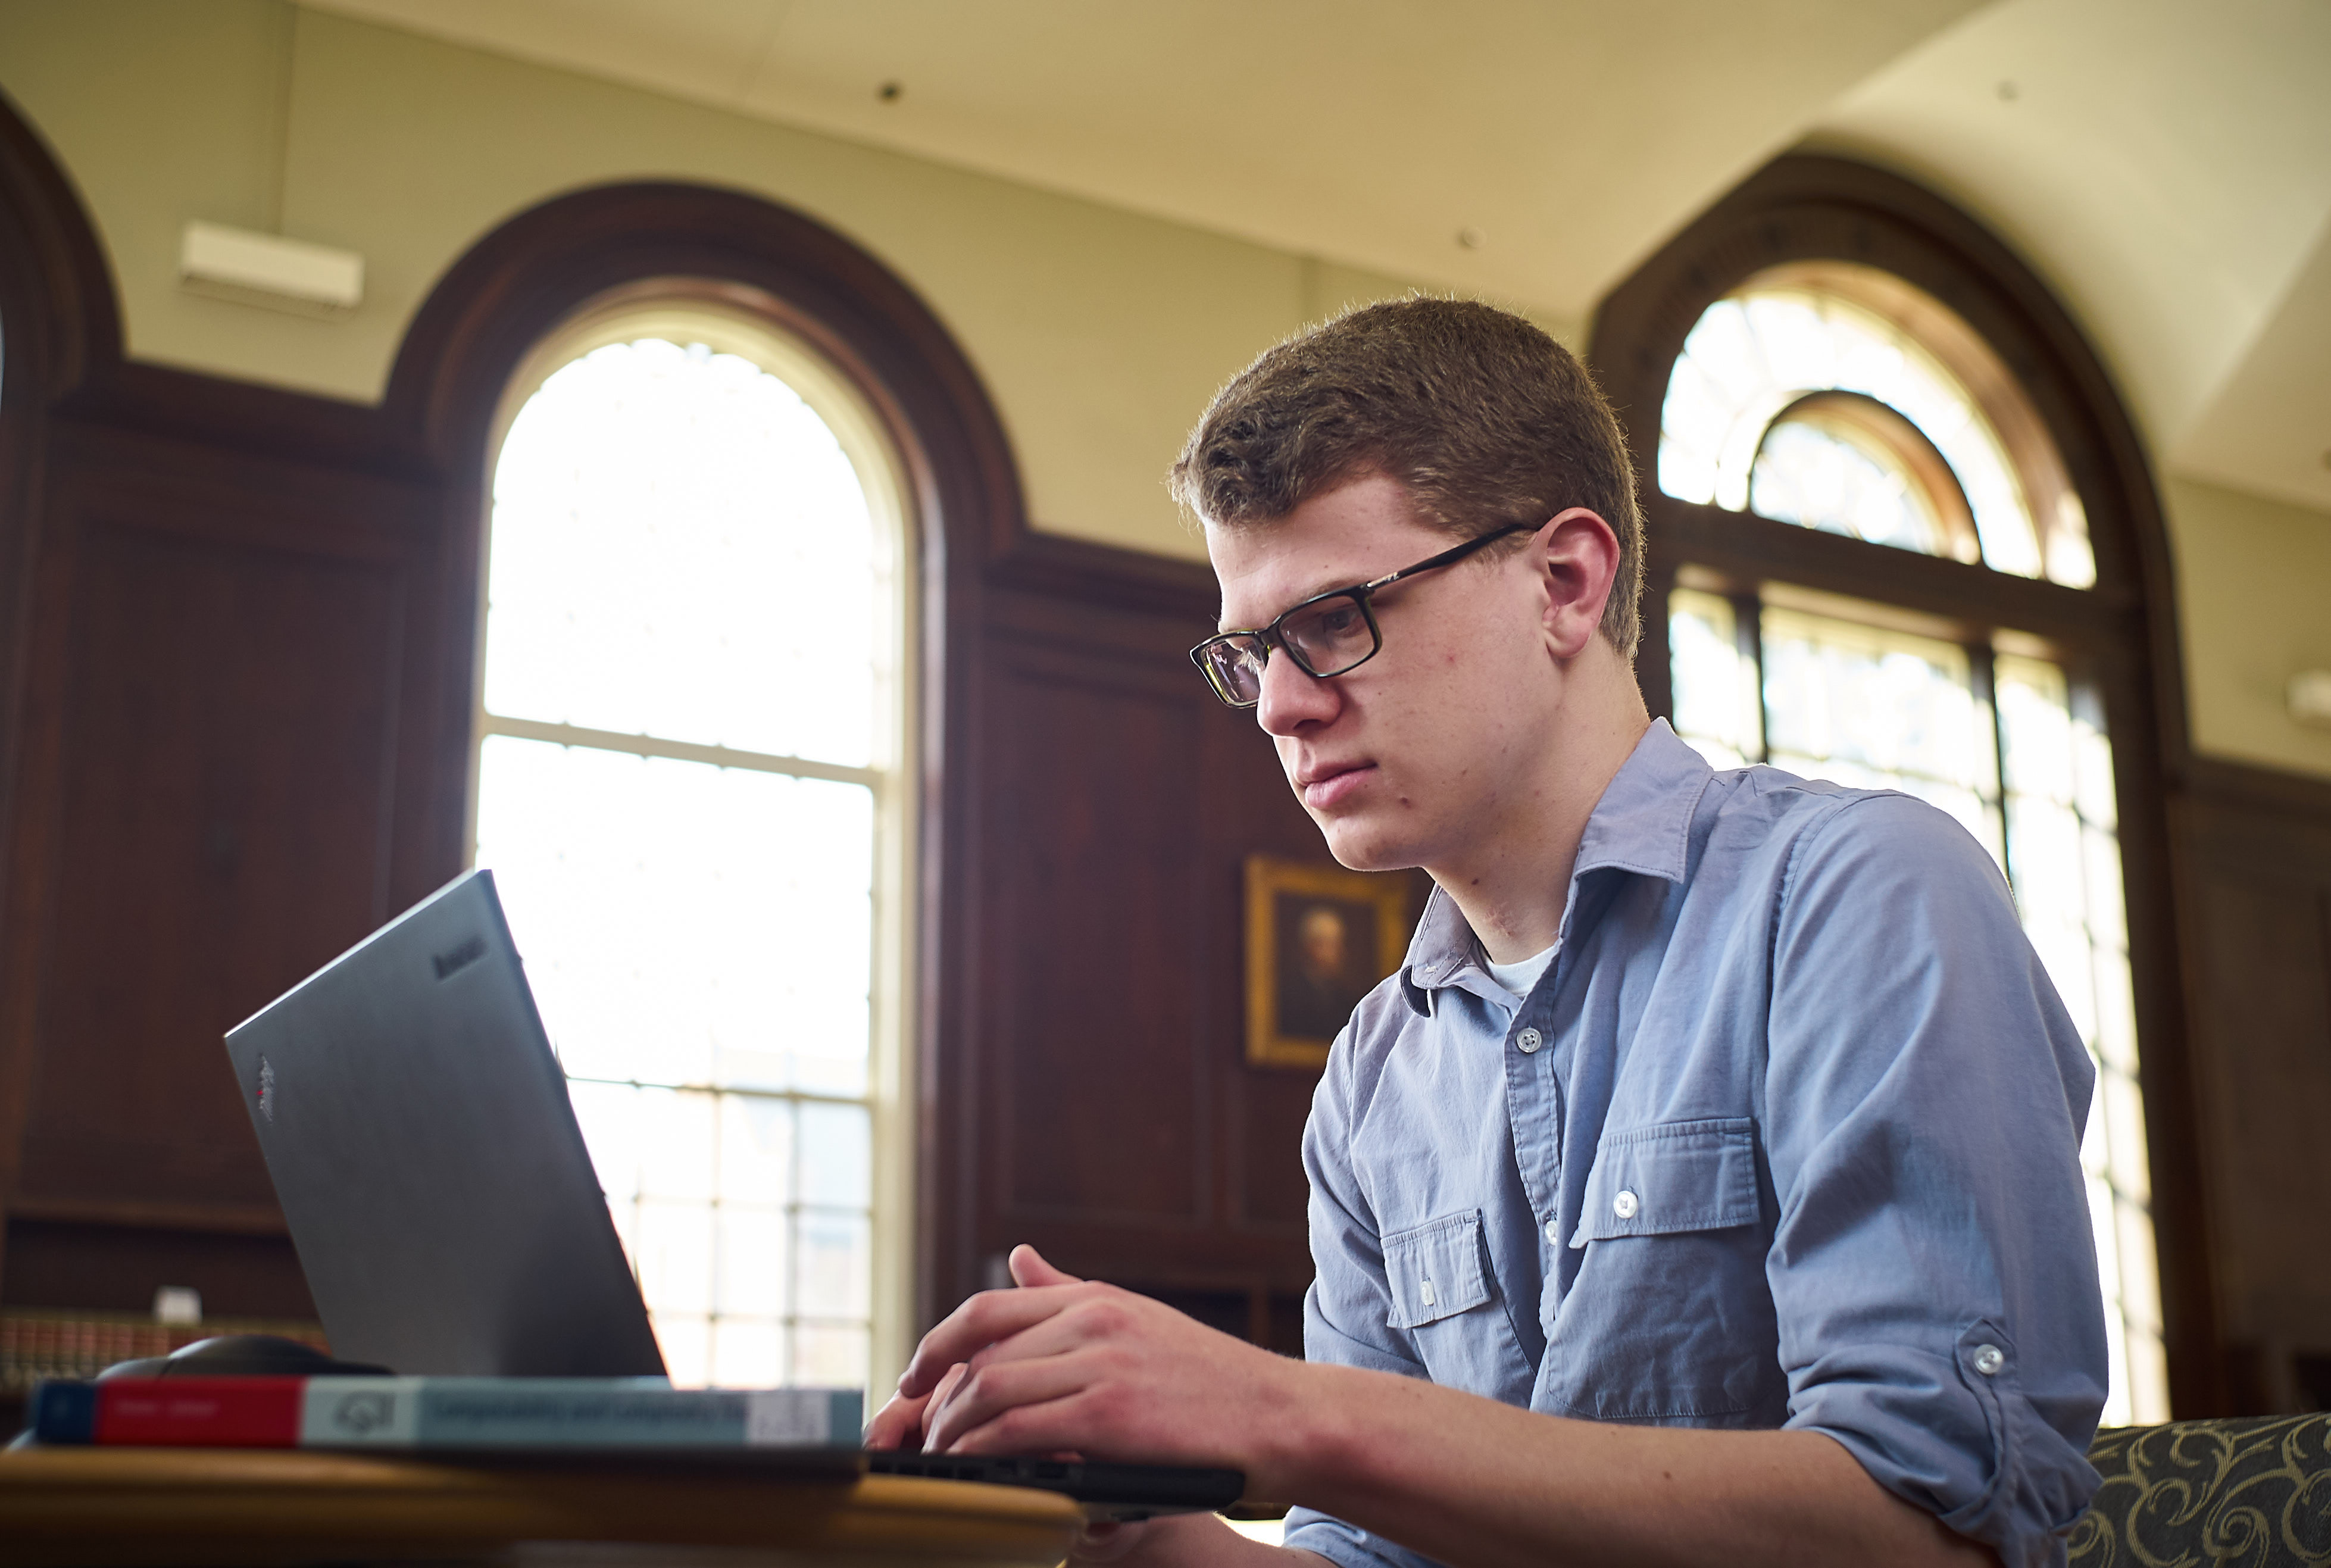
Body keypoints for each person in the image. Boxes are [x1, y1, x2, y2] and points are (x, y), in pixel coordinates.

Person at [867, 299, 2107, 1568]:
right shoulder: (1370, 1077)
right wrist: (1133, 1524)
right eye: (1247, 655)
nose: (1280, 708)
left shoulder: (1856, 895)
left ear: (1563, 583)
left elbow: (1931, 1528)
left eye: (1333, 619)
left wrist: (1284, 1412)